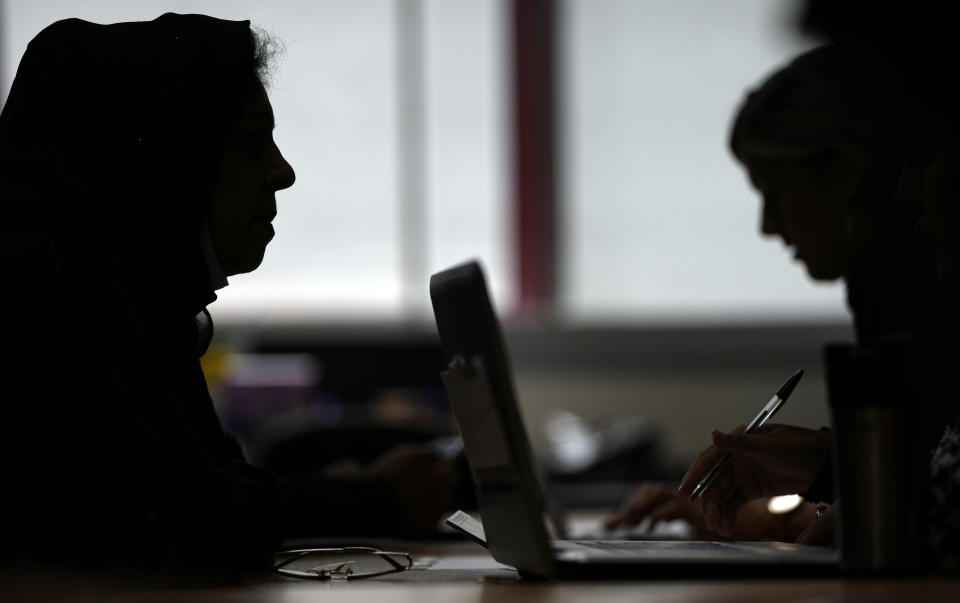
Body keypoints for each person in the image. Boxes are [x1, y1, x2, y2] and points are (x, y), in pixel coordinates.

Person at [0, 13, 452, 577]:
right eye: (248, 143)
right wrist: (374, 499)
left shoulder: (138, 294)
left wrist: (361, 492)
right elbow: (197, 522)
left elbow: (213, 482)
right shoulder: (58, 288)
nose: (282, 172)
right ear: (165, 158)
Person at [605, 44, 936, 542]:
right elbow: (918, 463)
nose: (767, 225)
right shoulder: (876, 275)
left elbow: (929, 496)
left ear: (845, 173)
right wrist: (827, 464)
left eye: (773, 190)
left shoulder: (919, 276)